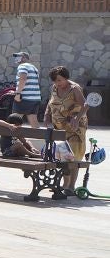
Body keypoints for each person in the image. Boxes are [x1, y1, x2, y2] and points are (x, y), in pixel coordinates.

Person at [45, 66, 89, 198]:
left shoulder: (74, 89)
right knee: (63, 156)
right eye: (55, 81)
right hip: (60, 128)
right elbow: (50, 103)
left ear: (66, 77)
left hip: (75, 129)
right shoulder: (55, 88)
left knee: (73, 158)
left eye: (59, 80)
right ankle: (64, 184)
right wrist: (47, 115)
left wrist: (77, 117)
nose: (57, 83)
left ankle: (70, 186)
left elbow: (85, 105)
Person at [12, 51, 42, 119]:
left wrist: (18, 94)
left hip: (24, 98)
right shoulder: (33, 67)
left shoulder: (22, 66)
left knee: (15, 119)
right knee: (33, 120)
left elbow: (23, 79)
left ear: (25, 58)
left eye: (19, 56)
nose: (17, 58)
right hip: (35, 98)